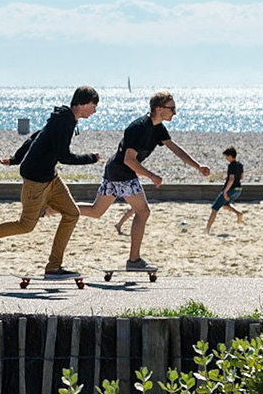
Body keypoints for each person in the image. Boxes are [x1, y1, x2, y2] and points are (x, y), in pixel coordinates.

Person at [0, 87, 101, 279]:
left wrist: (16, 158)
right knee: (25, 225)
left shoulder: (65, 118)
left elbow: (37, 136)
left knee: (72, 214)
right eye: (93, 106)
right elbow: (64, 156)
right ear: (82, 104)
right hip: (36, 179)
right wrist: (91, 158)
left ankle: (54, 267)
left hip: (50, 177)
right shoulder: (64, 120)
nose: (94, 111)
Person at [82, 91, 211, 274]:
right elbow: (129, 160)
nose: (174, 112)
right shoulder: (138, 127)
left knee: (96, 211)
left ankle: (55, 208)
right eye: (171, 108)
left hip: (115, 170)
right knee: (143, 212)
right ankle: (134, 260)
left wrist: (197, 166)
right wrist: (151, 175)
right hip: (122, 171)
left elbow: (176, 150)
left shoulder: (157, 127)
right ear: (159, 109)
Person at [205, 147, 246, 231]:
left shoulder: (231, 166)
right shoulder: (240, 165)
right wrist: (227, 177)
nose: (226, 158)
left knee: (215, 208)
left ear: (230, 156)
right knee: (225, 204)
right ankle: (238, 213)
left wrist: (225, 191)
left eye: (226, 156)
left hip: (230, 189)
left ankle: (207, 229)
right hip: (238, 189)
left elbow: (231, 179)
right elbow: (241, 177)